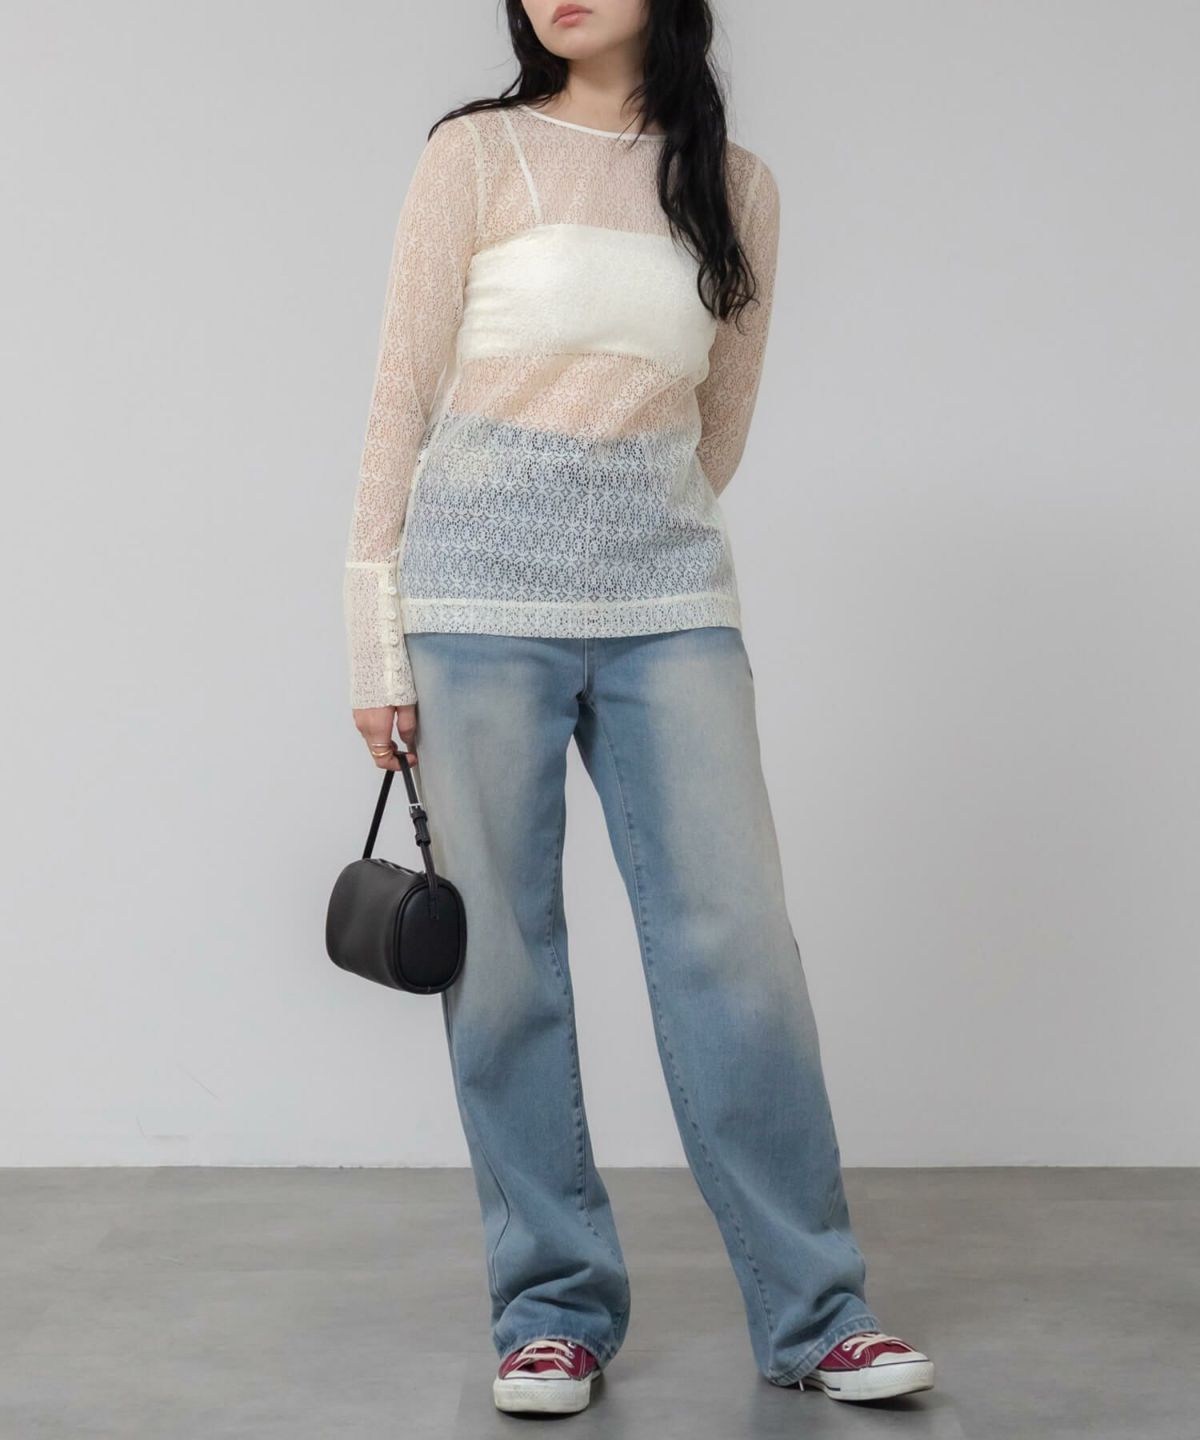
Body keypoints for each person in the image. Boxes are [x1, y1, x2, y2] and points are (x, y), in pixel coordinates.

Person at [342, 0, 935, 1417]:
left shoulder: (737, 186)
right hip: (474, 606)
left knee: (740, 949)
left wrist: (626, 519)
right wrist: (376, 637)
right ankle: (550, 1313)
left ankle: (819, 1313)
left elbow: (717, 423)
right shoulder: (476, 156)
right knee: (505, 967)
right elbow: (398, 400)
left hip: (670, 603)